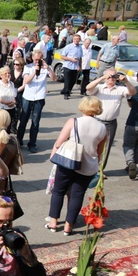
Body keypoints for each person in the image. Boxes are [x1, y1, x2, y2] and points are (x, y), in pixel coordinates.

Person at [46, 97, 108, 235]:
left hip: (69, 161)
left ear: (82, 107)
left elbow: (59, 142)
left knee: (58, 191)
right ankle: (69, 226)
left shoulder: (74, 122)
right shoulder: (103, 128)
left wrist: (53, 155)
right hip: (88, 165)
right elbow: (99, 151)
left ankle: (53, 222)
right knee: (77, 195)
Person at [85, 69, 136, 168]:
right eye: (109, 77)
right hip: (96, 120)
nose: (111, 79)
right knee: (91, 144)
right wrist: (102, 78)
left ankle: (100, 169)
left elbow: (132, 92)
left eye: (114, 76)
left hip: (111, 123)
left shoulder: (120, 89)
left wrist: (126, 81)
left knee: (106, 147)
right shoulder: (99, 88)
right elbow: (88, 87)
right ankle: (88, 167)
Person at [16, 49, 54, 153]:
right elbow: (27, 81)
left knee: (35, 122)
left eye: (39, 59)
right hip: (28, 97)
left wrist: (48, 69)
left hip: (39, 97)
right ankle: (19, 141)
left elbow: (54, 78)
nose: (37, 61)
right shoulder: (28, 67)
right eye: (36, 59)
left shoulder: (46, 67)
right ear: (32, 58)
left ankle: (32, 143)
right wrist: (34, 71)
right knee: (23, 120)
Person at [59, 34, 83, 99]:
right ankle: (66, 93)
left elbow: (80, 58)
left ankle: (65, 90)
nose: (76, 41)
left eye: (77, 39)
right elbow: (62, 56)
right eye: (75, 39)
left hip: (75, 67)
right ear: (73, 40)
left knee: (73, 81)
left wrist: (80, 66)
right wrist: (71, 59)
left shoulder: (80, 47)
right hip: (67, 66)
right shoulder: (69, 47)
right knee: (67, 80)